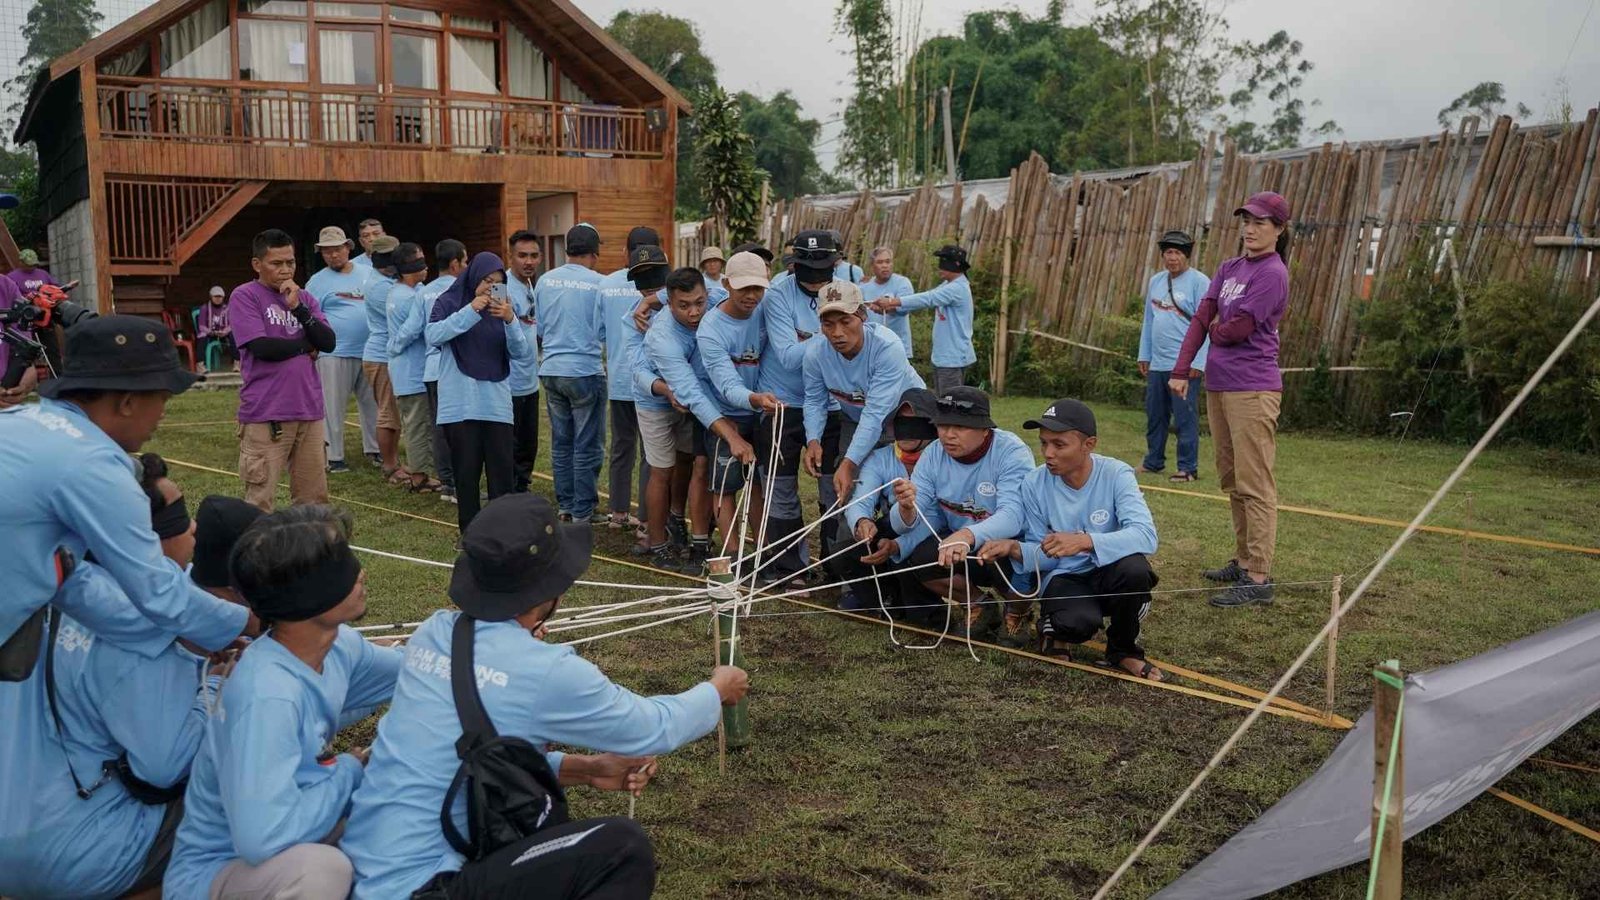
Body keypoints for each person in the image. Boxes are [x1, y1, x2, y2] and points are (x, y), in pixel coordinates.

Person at [343, 494, 748, 898]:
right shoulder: (546, 671)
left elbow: (479, 760)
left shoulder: (434, 632)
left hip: (363, 869)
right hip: (425, 887)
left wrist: (587, 769)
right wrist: (718, 688)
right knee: (621, 847)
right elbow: (653, 727)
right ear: (546, 593)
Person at [0, 485, 262, 899]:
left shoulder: (40, 585)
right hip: (79, 855)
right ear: (140, 542)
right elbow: (163, 765)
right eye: (177, 519)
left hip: (11, 830)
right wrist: (217, 683)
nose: (193, 528)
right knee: (250, 796)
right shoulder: (137, 621)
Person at [165, 505, 401, 900]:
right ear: (308, 596)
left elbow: (413, 671)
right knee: (321, 873)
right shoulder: (267, 695)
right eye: (341, 563)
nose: (359, 571)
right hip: (221, 872)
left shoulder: (339, 647)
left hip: (297, 834)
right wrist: (347, 771)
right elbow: (263, 838)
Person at [0, 315, 249, 684]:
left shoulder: (24, 422)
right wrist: (250, 621)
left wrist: (190, 630)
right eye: (162, 398)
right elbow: (156, 590)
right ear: (128, 402)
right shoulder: (91, 464)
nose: (163, 413)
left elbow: (69, 576)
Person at [977, 399, 1164, 677]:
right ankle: (1055, 630)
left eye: (1059, 444)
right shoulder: (1034, 483)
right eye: (1043, 443)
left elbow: (1146, 535)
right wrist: (1015, 548)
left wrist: (1085, 540)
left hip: (1108, 572)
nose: (1048, 453)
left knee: (1135, 570)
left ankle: (1123, 651)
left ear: (1089, 445)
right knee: (1076, 624)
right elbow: (1046, 555)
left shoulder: (1116, 474)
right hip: (1065, 577)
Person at [1172, 192, 1292, 608]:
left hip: (1253, 388)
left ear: (1278, 229)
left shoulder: (1273, 273)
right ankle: (1243, 561)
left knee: (1255, 482)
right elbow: (1202, 320)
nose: (1250, 228)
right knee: (1231, 478)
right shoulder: (1230, 267)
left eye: (1260, 222)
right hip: (1220, 385)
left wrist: (1217, 326)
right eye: (1246, 220)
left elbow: (1235, 329)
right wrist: (1181, 368)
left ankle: (1258, 576)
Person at [802, 281, 925, 599]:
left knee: (910, 493)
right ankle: (855, 578)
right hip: (854, 420)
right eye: (828, 324)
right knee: (849, 495)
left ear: (863, 316)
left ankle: (915, 578)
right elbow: (815, 399)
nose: (837, 332)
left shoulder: (887, 346)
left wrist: (848, 462)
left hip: (906, 422)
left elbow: (876, 415)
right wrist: (813, 439)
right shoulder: (815, 352)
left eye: (846, 321)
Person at [636, 267, 759, 573]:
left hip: (701, 399)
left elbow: (697, 393)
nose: (694, 312)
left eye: (699, 303)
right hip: (656, 395)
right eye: (684, 306)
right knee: (662, 468)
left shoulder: (716, 297)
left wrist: (651, 298)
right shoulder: (662, 337)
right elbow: (689, 392)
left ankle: (695, 537)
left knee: (697, 463)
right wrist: (730, 435)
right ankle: (658, 543)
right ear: (671, 303)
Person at [889, 387, 1034, 642]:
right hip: (960, 542)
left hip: (1008, 544)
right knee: (922, 558)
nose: (948, 435)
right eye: (943, 426)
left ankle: (1018, 613)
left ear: (985, 429)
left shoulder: (1011, 452)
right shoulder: (934, 454)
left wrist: (967, 535)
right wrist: (906, 508)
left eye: (960, 426)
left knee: (1006, 556)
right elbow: (913, 522)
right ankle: (979, 605)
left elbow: (1013, 516)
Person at [756, 230, 845, 584]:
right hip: (782, 404)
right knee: (781, 488)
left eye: (821, 267)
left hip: (833, 404)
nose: (813, 276)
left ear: (835, 263)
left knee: (833, 488)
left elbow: (856, 344)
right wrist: (833, 337)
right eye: (805, 267)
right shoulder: (777, 295)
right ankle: (790, 567)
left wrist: (809, 338)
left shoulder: (846, 292)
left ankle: (835, 565)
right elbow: (790, 357)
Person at [231, 228, 336, 511]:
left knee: (313, 500)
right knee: (260, 500)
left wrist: (299, 309)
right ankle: (257, 553)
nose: (285, 270)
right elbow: (263, 348)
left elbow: (327, 342)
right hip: (267, 412)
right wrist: (305, 345)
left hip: (309, 409)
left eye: (290, 262)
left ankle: (310, 553)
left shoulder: (305, 299)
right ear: (257, 264)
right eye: (276, 263)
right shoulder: (245, 296)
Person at [428, 252, 534, 533]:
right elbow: (433, 335)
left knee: (502, 477)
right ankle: (471, 535)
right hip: (460, 405)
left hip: (496, 404)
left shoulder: (503, 309)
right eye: (487, 280)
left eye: (498, 282)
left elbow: (522, 353)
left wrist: (511, 320)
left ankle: (502, 534)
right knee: (467, 476)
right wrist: (472, 310)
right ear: (473, 276)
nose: (491, 287)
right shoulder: (449, 302)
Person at [697, 251, 783, 555]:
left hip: (761, 412)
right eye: (744, 287)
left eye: (757, 288)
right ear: (726, 283)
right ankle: (733, 554)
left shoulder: (767, 309)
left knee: (759, 483)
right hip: (726, 414)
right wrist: (755, 399)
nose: (751, 296)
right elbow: (726, 384)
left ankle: (763, 550)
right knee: (725, 485)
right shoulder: (710, 329)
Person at [838, 388, 942, 617]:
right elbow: (860, 500)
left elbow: (938, 518)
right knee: (846, 548)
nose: (907, 431)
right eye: (901, 422)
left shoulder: (943, 459)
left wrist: (899, 546)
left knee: (920, 614)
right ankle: (881, 596)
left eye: (916, 423)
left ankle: (924, 604)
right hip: (893, 528)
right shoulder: (880, 458)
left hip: (931, 535)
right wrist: (862, 521)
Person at [536, 224, 607, 521]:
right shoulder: (600, 283)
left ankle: (566, 504)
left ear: (567, 250)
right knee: (587, 444)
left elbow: (538, 327)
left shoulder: (544, 281)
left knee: (562, 441)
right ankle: (583, 509)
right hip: (584, 370)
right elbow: (604, 331)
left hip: (551, 369)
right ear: (595, 253)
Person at [598, 227, 661, 532]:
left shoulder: (607, 285)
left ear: (626, 253)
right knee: (653, 451)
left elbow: (599, 332)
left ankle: (618, 511)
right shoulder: (665, 288)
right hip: (654, 382)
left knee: (622, 446)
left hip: (620, 380)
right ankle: (646, 517)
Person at [306, 225, 381, 474]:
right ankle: (334, 456)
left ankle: (375, 449)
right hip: (333, 353)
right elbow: (309, 317)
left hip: (369, 350)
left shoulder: (369, 273)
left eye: (337, 250)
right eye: (327, 252)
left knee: (372, 403)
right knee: (332, 406)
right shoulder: (316, 282)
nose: (333, 255)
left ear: (348, 248)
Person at [1137, 229, 1210, 482]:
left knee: (1184, 417)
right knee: (1155, 415)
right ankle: (1153, 461)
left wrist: (1199, 362)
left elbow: (1207, 325)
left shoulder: (1200, 282)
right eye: (1168, 252)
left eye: (1177, 252)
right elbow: (1149, 320)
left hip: (1185, 366)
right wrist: (1144, 354)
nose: (1172, 258)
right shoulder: (1156, 281)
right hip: (1158, 363)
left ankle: (1187, 467)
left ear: (1186, 256)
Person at [870, 244, 976, 393]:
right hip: (946, 355)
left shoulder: (957, 288)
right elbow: (925, 296)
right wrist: (887, 308)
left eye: (943, 263)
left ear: (955, 265)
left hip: (952, 356)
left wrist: (892, 302)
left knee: (950, 403)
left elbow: (928, 298)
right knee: (943, 401)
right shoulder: (949, 285)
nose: (939, 268)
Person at [387, 241, 443, 493]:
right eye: (420, 260)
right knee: (418, 424)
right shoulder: (408, 298)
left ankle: (422, 468)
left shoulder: (402, 291)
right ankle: (419, 476)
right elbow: (412, 330)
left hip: (407, 369)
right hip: (412, 372)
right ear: (409, 267)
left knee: (419, 422)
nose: (426, 266)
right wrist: (395, 345)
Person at [422, 240, 466, 503]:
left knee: (439, 428)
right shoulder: (461, 291)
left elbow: (417, 329)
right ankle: (458, 483)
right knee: (459, 428)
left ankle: (447, 484)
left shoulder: (423, 292)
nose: (467, 266)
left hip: (430, 369)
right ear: (454, 264)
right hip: (453, 368)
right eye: (465, 261)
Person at [361, 234, 405, 481]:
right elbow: (399, 317)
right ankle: (389, 465)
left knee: (393, 412)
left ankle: (394, 461)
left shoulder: (387, 281)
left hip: (387, 354)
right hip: (380, 355)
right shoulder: (380, 286)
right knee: (388, 412)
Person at [504, 231, 544, 493]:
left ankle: (522, 484)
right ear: (511, 256)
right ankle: (508, 488)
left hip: (531, 379)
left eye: (533, 255)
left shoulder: (531, 285)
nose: (528, 261)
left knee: (529, 441)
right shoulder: (502, 287)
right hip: (509, 382)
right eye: (522, 256)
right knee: (511, 442)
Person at [859, 246, 915, 359]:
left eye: (888, 261)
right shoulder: (864, 288)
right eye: (880, 262)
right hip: (872, 348)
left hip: (898, 347)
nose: (885, 265)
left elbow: (905, 308)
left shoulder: (902, 283)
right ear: (872, 266)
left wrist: (884, 307)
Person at [195, 285, 236, 372]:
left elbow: (232, 324)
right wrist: (211, 332)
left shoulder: (227, 308)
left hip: (223, 332)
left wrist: (225, 331)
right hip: (209, 332)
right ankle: (200, 365)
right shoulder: (204, 308)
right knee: (201, 337)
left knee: (234, 335)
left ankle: (237, 363)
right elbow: (201, 326)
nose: (218, 299)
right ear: (211, 297)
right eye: (215, 296)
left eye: (220, 297)